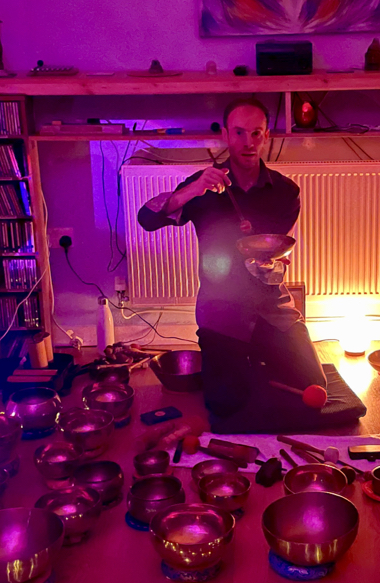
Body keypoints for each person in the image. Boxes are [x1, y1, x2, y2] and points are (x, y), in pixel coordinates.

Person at [136, 98, 364, 433]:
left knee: (314, 386)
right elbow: (146, 219)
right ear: (226, 134)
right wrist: (191, 190)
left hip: (272, 306)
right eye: (239, 132)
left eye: (255, 133)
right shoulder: (202, 186)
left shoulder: (285, 192)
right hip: (221, 310)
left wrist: (272, 264)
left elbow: (275, 252)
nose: (247, 142)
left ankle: (255, 362)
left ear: (266, 136)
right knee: (225, 404)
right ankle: (245, 367)